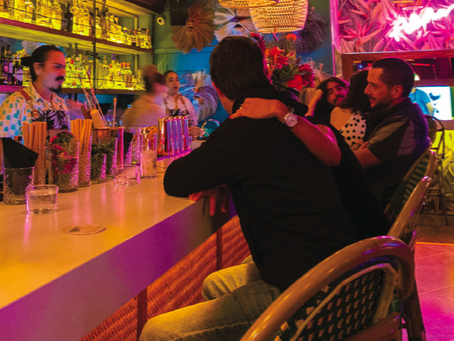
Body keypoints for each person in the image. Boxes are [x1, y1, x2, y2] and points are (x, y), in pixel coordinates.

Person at [142, 37, 356, 341]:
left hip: (311, 295)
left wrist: (220, 174)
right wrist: (226, 176)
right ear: (264, 73)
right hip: (348, 271)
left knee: (158, 333)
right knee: (215, 284)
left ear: (218, 88)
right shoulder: (295, 116)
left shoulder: (242, 129)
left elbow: (175, 179)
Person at [236, 68, 389, 239]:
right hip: (356, 202)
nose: (336, 94)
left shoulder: (353, 116)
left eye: (339, 88)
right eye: (329, 92)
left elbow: (334, 156)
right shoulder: (334, 117)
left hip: (352, 205)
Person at [358, 58, 430, 206]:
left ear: (396, 91)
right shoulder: (393, 116)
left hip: (374, 206)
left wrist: (356, 149)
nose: (366, 91)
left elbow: (352, 163)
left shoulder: (404, 123)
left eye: (373, 85)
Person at [0, 45, 79, 138]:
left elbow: (67, 143)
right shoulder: (15, 103)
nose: (63, 73)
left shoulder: (61, 104)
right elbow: (4, 146)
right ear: (38, 68)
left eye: (64, 67)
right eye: (57, 67)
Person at [121, 66, 168, 132]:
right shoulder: (156, 110)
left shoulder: (136, 105)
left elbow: (124, 124)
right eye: (164, 88)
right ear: (157, 87)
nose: (166, 91)